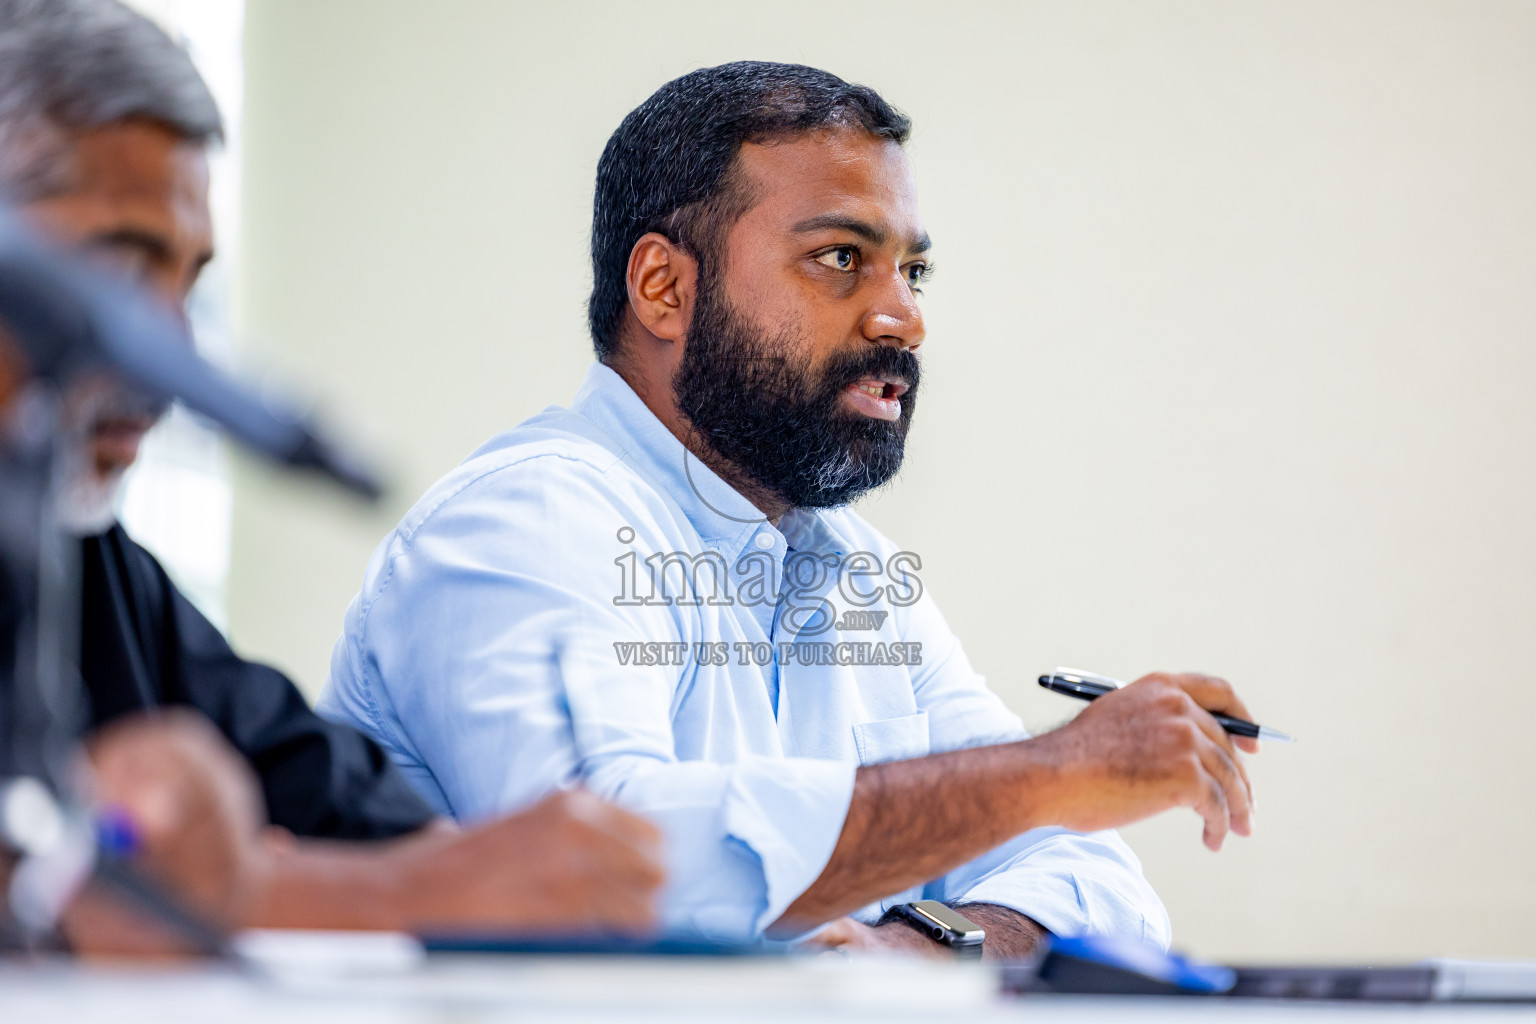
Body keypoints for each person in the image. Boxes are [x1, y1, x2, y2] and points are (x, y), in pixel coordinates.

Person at [320, 61, 1268, 959]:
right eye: (841, 258)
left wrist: (913, 952)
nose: (903, 317)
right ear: (663, 288)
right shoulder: (525, 523)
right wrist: (1048, 775)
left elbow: (1097, 879)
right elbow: (609, 878)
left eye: (914, 272)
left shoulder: (854, 572)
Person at [0, 0, 663, 947]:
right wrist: (399, 895)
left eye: (186, 285)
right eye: (119, 268)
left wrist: (525, 872)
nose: (168, 355)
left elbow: (337, 800)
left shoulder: (95, 565)